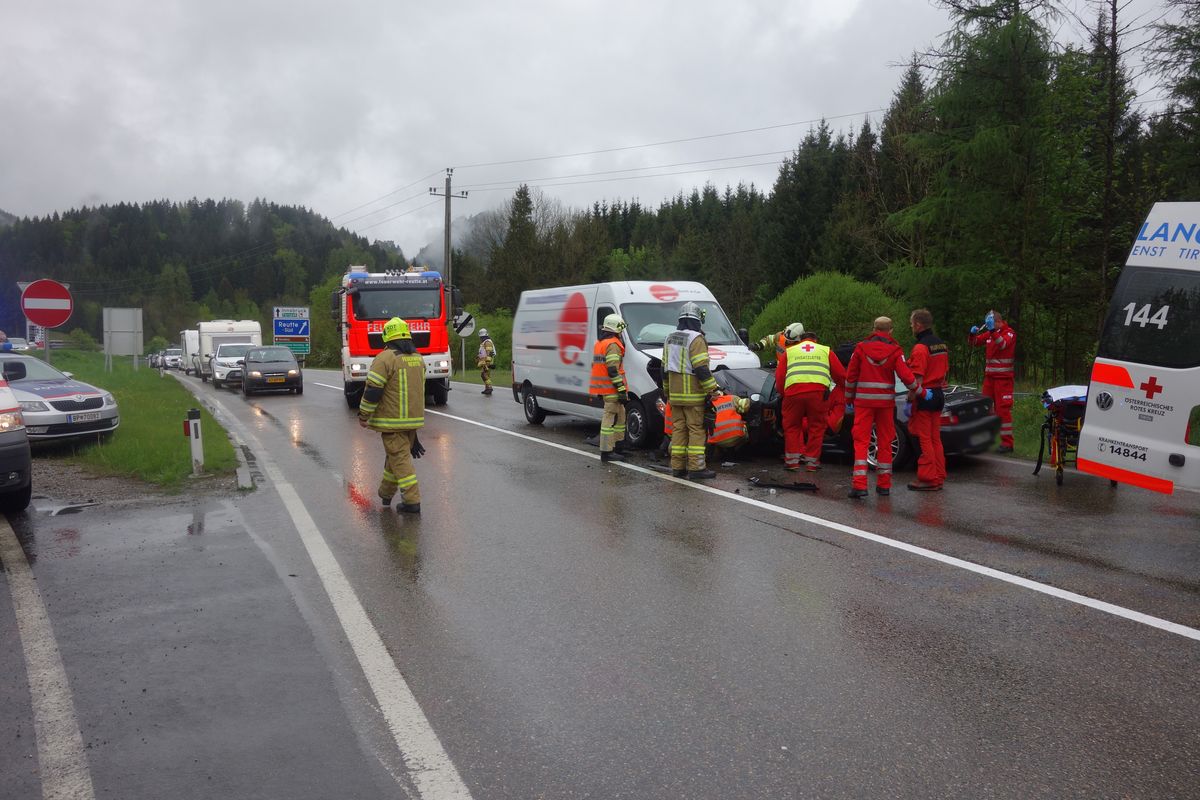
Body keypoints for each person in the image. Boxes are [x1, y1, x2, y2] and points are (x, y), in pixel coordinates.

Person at [844, 316, 919, 499]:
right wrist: (920, 391)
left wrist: (848, 397)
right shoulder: (895, 350)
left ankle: (860, 486)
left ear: (874, 328)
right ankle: (884, 485)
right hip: (885, 404)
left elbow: (851, 376)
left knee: (861, 442)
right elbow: (906, 376)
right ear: (890, 330)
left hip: (864, 403)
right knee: (885, 441)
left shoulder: (861, 348)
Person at [359, 317, 426, 514]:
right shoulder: (418, 358)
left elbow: (373, 390)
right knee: (394, 457)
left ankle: (412, 501)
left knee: (400, 460)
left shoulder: (385, 358)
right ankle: (385, 493)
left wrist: (363, 415)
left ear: (387, 337)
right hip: (412, 420)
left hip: (392, 421)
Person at [775, 323, 846, 472]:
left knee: (792, 426)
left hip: (793, 393)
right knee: (817, 427)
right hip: (818, 393)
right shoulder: (826, 351)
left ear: (801, 339)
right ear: (816, 340)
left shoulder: (790, 352)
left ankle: (792, 462)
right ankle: (812, 463)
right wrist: (844, 390)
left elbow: (780, 377)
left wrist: (783, 394)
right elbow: (840, 376)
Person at [662, 301, 720, 479]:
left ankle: (678, 467)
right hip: (693, 395)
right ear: (697, 320)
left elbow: (664, 368)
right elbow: (701, 368)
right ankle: (696, 468)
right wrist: (713, 389)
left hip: (675, 395)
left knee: (678, 429)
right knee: (696, 430)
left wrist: (667, 392)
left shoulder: (670, 338)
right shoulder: (696, 339)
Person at [907, 309, 949, 491]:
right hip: (939, 394)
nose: (911, 327)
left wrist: (909, 399)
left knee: (924, 439)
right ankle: (938, 475)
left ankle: (928, 478)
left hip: (925, 395)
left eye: (911, 324)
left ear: (918, 325)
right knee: (935, 439)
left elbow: (917, 380)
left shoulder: (920, 348)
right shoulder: (941, 345)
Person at [968, 310, 1017, 452]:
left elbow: (1002, 344)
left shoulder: (1009, 333)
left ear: (997, 322)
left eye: (989, 322)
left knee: (1003, 411)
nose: (987, 325)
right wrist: (972, 334)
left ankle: (1007, 444)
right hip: (989, 379)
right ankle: (984, 440)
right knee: (984, 408)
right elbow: (974, 343)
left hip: (1004, 380)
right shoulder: (990, 333)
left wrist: (992, 331)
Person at [589, 313, 629, 463]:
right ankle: (606, 452)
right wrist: (621, 389)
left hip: (605, 388)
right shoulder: (612, 344)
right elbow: (613, 370)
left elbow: (598, 367)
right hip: (612, 389)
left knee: (621, 416)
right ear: (616, 328)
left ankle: (618, 447)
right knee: (609, 418)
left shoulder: (600, 343)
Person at [477, 328, 496, 395]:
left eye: (481, 337)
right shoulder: (484, 342)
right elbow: (483, 352)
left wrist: (487, 362)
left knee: (484, 375)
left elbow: (489, 352)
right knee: (486, 375)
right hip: (485, 361)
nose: (480, 338)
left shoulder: (487, 342)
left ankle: (489, 387)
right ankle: (487, 388)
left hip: (487, 361)